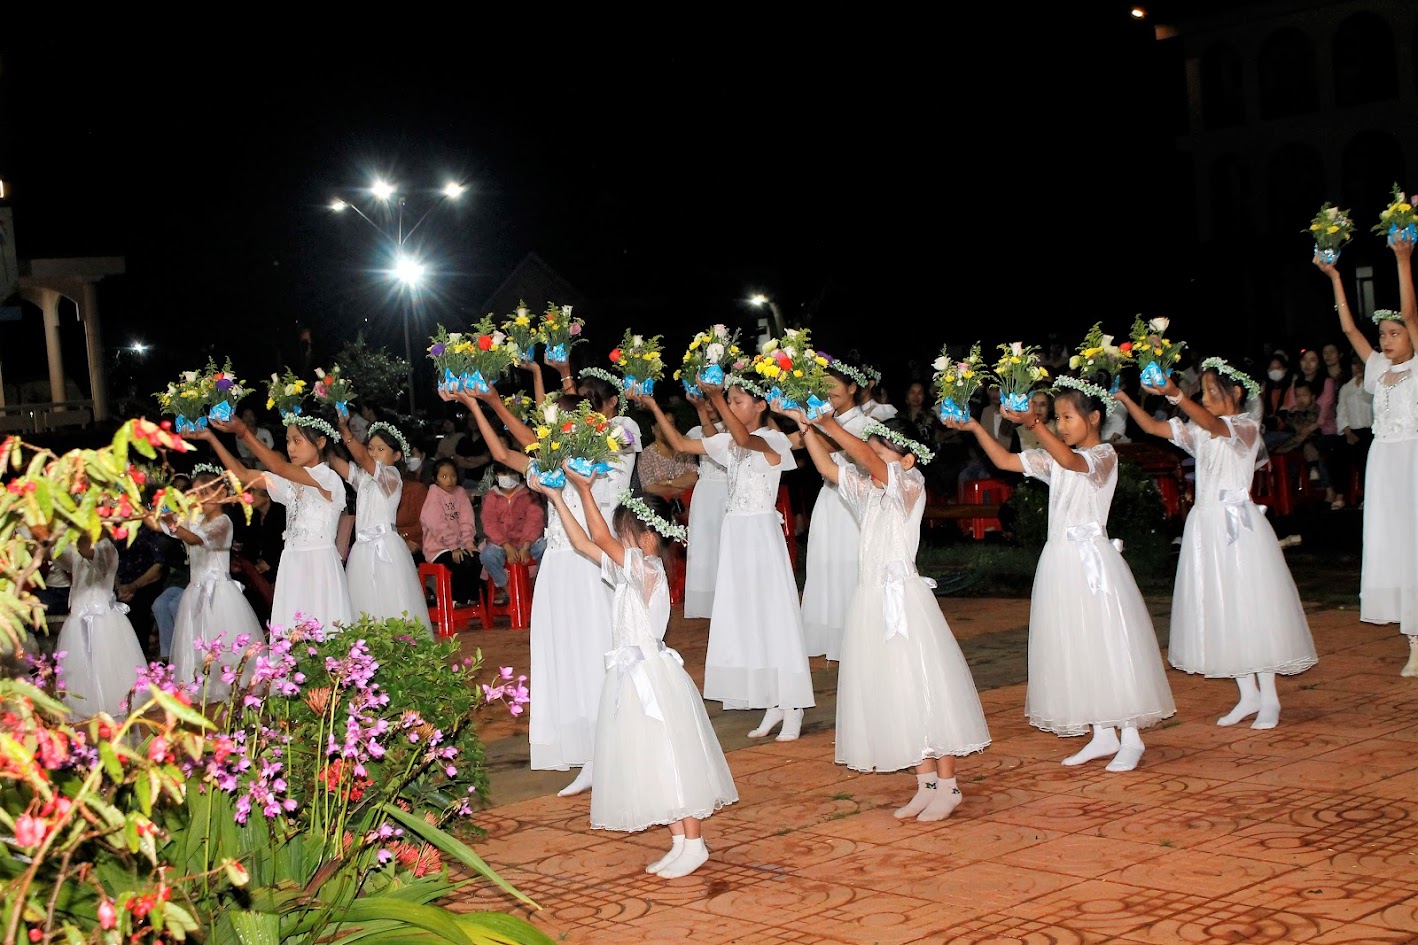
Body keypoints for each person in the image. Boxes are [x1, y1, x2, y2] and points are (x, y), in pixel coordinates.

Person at [947, 376, 1175, 771]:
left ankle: (1131, 736)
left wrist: (1032, 424)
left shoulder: (1103, 456)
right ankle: (1103, 733)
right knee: (1077, 643)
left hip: (1092, 565)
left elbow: (1074, 463)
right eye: (1057, 418)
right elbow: (1004, 461)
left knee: (1107, 643)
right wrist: (975, 428)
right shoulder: (1055, 457)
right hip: (1061, 563)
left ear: (1094, 417)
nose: (1061, 425)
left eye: (1067, 417)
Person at [535, 475, 736, 878]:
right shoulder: (630, 568)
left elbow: (598, 535)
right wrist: (559, 497)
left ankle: (694, 842)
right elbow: (582, 543)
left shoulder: (646, 568)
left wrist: (585, 490)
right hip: (632, 675)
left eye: (624, 534)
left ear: (646, 539)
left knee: (672, 755)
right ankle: (680, 840)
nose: (617, 540)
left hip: (652, 677)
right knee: (654, 759)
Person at [795, 409, 990, 821]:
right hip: (871, 601)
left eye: (882, 446)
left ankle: (949, 784)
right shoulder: (870, 490)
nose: (873, 452)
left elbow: (864, 458)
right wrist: (809, 429)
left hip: (904, 600)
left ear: (908, 459)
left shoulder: (908, 484)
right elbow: (830, 466)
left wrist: (830, 425)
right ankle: (925, 783)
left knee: (925, 685)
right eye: (875, 444)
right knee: (896, 690)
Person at [1115, 360, 1316, 729]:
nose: (1205, 399)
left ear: (1235, 393)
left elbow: (1212, 424)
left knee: (1251, 606)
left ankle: (1269, 697)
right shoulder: (1201, 429)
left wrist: (1175, 392)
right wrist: (1124, 397)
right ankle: (1247, 694)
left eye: (1211, 392)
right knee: (1221, 605)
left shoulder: (1244, 427)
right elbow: (1152, 426)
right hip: (1206, 526)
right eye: (1202, 393)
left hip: (1237, 527)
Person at [446, 379, 612, 797]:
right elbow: (503, 453)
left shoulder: (598, 463)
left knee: (592, 651)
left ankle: (607, 746)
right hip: (557, 564)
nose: (550, 431)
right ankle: (586, 754)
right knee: (563, 653)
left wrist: (491, 401)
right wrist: (477, 404)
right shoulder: (551, 462)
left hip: (587, 566)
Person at [634, 374, 815, 739]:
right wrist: (652, 405)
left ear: (761, 405)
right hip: (735, 533)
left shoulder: (772, 439)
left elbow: (747, 440)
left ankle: (793, 704)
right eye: (729, 401)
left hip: (761, 534)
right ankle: (772, 701)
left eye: (737, 401)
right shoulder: (728, 442)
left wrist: (715, 399)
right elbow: (681, 442)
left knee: (773, 614)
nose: (731, 407)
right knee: (747, 615)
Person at [1317, 235, 1418, 674]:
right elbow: (1348, 330)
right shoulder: (1377, 369)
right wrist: (1335, 276)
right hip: (1384, 464)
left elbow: (1410, 313)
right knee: (1393, 544)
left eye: (1395, 333)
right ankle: (1414, 641)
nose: (1387, 339)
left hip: (1413, 459)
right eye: (1384, 334)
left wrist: (1402, 258)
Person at [195, 409, 354, 634]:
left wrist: (244, 432)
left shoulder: (327, 478)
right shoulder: (290, 483)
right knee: (293, 632)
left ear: (320, 442)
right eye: (288, 441)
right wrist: (211, 437)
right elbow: (242, 474)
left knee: (324, 629)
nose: (290, 448)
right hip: (292, 562)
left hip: (319, 564)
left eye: (297, 441)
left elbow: (278, 467)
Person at [164, 467, 266, 702]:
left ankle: (229, 685)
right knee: (197, 638)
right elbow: (173, 529)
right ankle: (199, 685)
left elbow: (195, 539)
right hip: (196, 589)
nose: (197, 499)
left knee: (221, 640)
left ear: (221, 496)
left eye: (203, 494)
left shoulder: (223, 522)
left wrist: (171, 521)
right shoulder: (195, 520)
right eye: (195, 494)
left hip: (219, 592)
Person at [800, 358, 874, 662]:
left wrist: (807, 421)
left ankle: (852, 636)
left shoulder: (864, 423)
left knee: (847, 564)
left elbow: (830, 448)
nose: (829, 392)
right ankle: (827, 636)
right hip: (829, 499)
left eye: (834, 386)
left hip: (852, 502)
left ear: (853, 387)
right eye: (823, 387)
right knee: (824, 564)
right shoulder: (824, 420)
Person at [336, 417, 431, 632]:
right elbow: (340, 465)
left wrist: (347, 433)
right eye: (370, 448)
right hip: (362, 549)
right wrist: (325, 440)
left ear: (397, 456)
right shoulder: (364, 477)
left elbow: (360, 457)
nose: (374, 454)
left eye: (381, 449)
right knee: (365, 601)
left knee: (392, 599)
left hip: (386, 546)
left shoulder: (391, 476)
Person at [55, 535, 146, 720]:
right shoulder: (76, 550)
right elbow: (59, 555)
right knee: (80, 665)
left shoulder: (106, 548)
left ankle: (110, 703)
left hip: (102, 617)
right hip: (78, 615)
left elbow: (87, 552)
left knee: (105, 663)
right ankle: (83, 703)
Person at [572, 368, 642, 532]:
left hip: (615, 504)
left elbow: (626, 441)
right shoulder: (583, 430)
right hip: (589, 501)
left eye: (591, 402)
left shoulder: (625, 423)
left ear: (612, 401)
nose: (588, 409)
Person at [683, 393, 729, 619]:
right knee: (705, 545)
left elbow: (718, 447)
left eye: (713, 401)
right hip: (704, 493)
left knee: (724, 544)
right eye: (705, 402)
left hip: (726, 490)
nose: (709, 406)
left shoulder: (733, 429)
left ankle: (727, 597)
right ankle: (706, 600)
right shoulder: (694, 431)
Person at [419, 457, 481, 607]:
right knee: (460, 562)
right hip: (438, 549)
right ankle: (455, 599)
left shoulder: (460, 493)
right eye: (444, 476)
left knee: (477, 558)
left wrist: (468, 543)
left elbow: (467, 519)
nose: (450, 480)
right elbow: (437, 524)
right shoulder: (433, 495)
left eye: (453, 475)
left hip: (460, 545)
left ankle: (471, 597)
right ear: (435, 479)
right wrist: (453, 546)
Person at [479, 467, 546, 605]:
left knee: (546, 548)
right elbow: (489, 523)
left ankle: (537, 588)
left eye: (512, 473)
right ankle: (506, 587)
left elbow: (534, 520)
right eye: (504, 473)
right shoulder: (491, 497)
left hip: (528, 541)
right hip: (501, 543)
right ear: (497, 475)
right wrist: (506, 545)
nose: (508, 477)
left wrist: (526, 545)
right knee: (487, 555)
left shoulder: (529, 494)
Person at [1335, 351, 1374, 508]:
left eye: (1360, 364)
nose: (1357, 367)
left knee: (1364, 457)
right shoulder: (1346, 388)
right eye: (1354, 364)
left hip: (1370, 431)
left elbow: (1371, 403)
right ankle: (1341, 494)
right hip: (1351, 432)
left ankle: (1368, 495)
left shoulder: (1372, 386)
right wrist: (1347, 431)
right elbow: (1341, 411)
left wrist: (1365, 383)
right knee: (1340, 454)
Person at [636, 420, 699, 502]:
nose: (666, 427)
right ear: (653, 429)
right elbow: (650, 488)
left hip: (690, 501)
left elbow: (693, 478)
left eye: (671, 424)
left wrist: (667, 482)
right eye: (662, 423)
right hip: (660, 504)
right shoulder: (646, 454)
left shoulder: (684, 448)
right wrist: (679, 489)